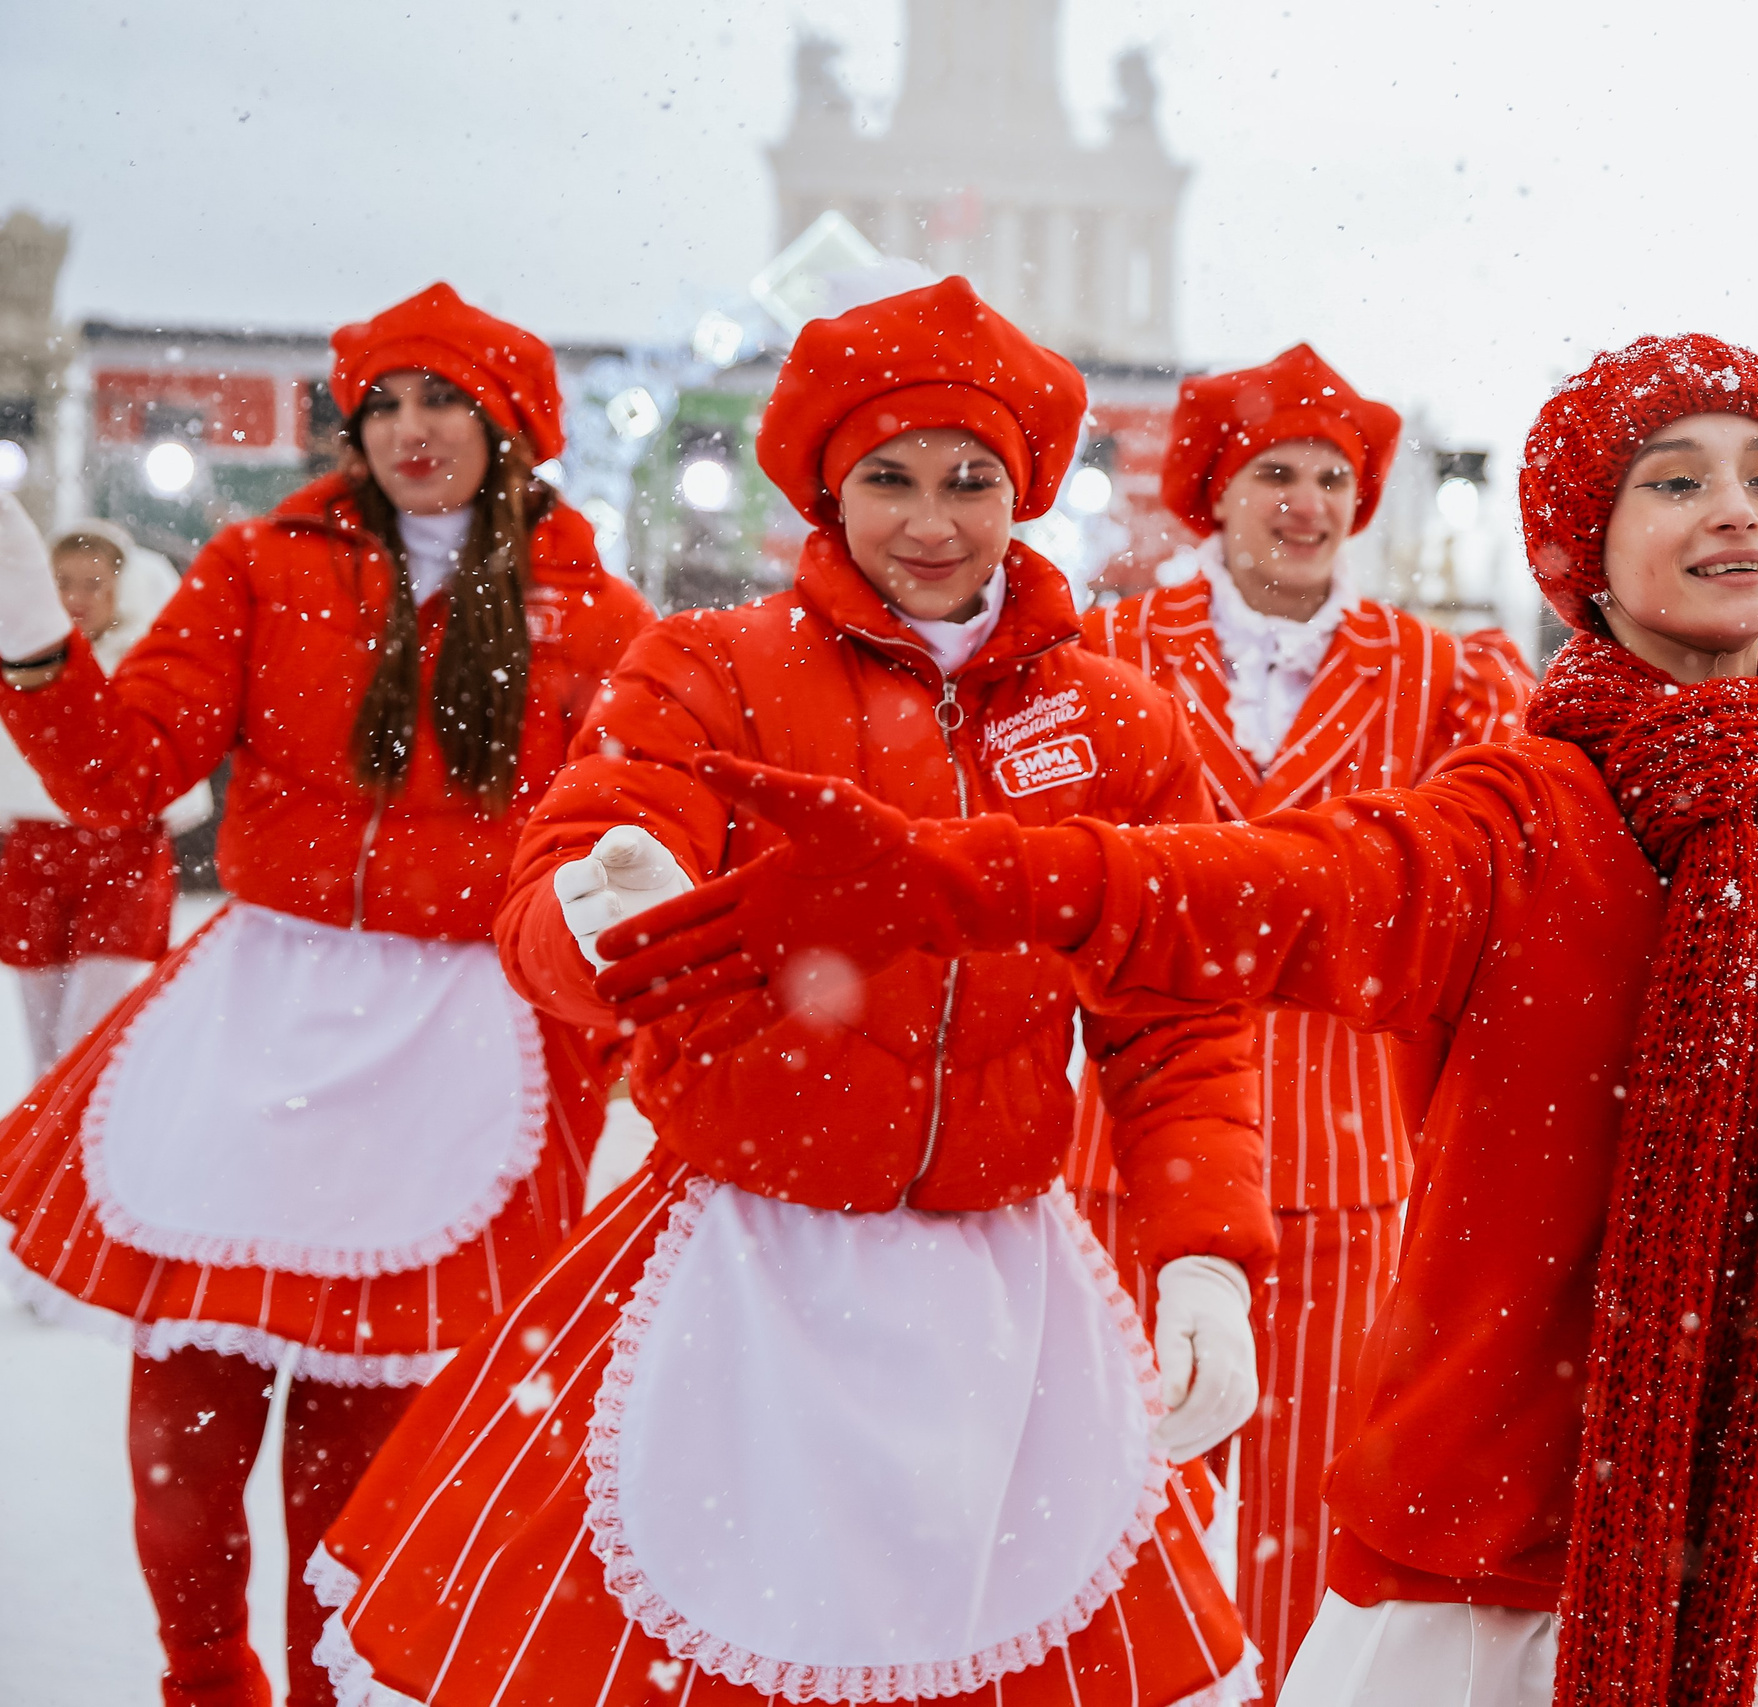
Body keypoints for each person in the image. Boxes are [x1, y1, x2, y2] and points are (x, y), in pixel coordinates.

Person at [593, 333, 1758, 1707]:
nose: (1735, 509)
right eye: (1673, 480)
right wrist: (959, 876)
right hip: (1470, 1566)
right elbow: (1254, 880)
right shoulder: (1518, 819)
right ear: (1584, 560)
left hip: (1738, 1556)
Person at [312, 277, 1274, 1707]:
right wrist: (594, 908)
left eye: (971, 480)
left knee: (983, 1645)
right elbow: (564, 890)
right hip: (740, 1262)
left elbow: (1178, 1010)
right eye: (889, 478)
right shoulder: (712, 668)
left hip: (1000, 1288)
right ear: (829, 490)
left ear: (1027, 493)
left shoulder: (1121, 723)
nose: (933, 520)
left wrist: (1206, 1246)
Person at [0, 281, 653, 1707]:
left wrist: (596, 1043)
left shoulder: (603, 621)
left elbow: (614, 867)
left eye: (444, 401)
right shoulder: (257, 565)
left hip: (457, 1051)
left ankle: (324, 1693)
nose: (411, 430)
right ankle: (201, 1680)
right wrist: (32, 641)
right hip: (257, 1023)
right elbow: (116, 774)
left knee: (353, 1481)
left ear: (513, 426)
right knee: (183, 1454)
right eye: (384, 404)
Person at [1067, 342, 1531, 1694]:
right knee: (1110, 1485)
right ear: (1218, 488)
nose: (1307, 501)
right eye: (1278, 470)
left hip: (1340, 1154)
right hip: (1131, 1141)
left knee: (1299, 1502)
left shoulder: (1447, 678)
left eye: (1333, 475)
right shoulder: (1103, 654)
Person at [0, 519, 211, 1068]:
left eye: (93, 584)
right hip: (33, 852)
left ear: (123, 586)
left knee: (88, 1035)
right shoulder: (21, 665)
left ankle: (79, 1143)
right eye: (63, 582)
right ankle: (49, 1144)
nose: (75, 598)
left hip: (122, 853)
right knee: (43, 1038)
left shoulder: (145, 665)